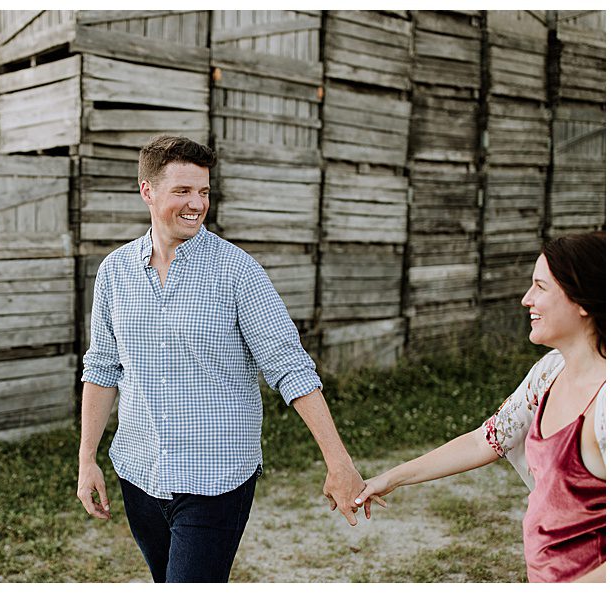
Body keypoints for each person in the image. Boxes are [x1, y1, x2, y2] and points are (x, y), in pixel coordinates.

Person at [74, 135, 369, 582]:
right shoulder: (115, 272)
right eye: (183, 191)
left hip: (215, 479)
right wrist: (86, 460)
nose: (197, 204)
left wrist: (339, 462)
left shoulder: (237, 272)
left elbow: (289, 367)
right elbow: (101, 368)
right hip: (139, 473)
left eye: (204, 191)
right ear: (147, 191)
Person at [355, 233, 605, 583]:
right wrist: (390, 479)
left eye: (540, 287)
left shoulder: (605, 405)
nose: (526, 299)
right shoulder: (549, 372)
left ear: (582, 301)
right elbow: (484, 440)